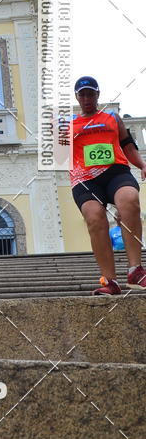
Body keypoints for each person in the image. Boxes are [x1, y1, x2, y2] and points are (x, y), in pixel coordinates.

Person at [65, 76, 146, 295]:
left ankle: (135, 270)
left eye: (91, 93)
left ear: (98, 95)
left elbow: (128, 145)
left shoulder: (112, 118)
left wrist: (141, 164)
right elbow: (57, 156)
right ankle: (110, 281)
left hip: (115, 172)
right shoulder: (68, 124)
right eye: (82, 94)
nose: (86, 98)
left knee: (129, 200)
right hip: (85, 179)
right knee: (95, 218)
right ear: (77, 97)